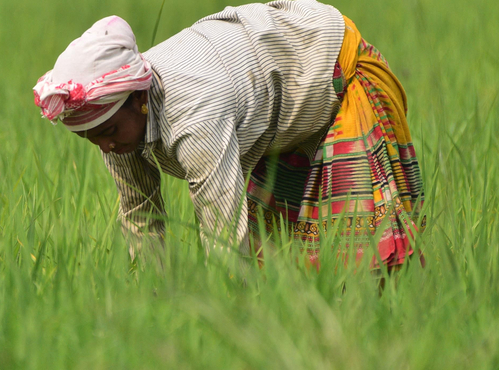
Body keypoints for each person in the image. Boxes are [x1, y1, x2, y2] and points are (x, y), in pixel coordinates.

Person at [33, 0, 425, 269]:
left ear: (139, 98)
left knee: (366, 258)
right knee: (282, 264)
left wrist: (219, 318)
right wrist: (149, 306)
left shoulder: (193, 113)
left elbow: (222, 230)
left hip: (334, 69)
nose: (107, 146)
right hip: (272, 110)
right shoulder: (117, 125)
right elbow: (141, 215)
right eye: (91, 139)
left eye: (108, 132)